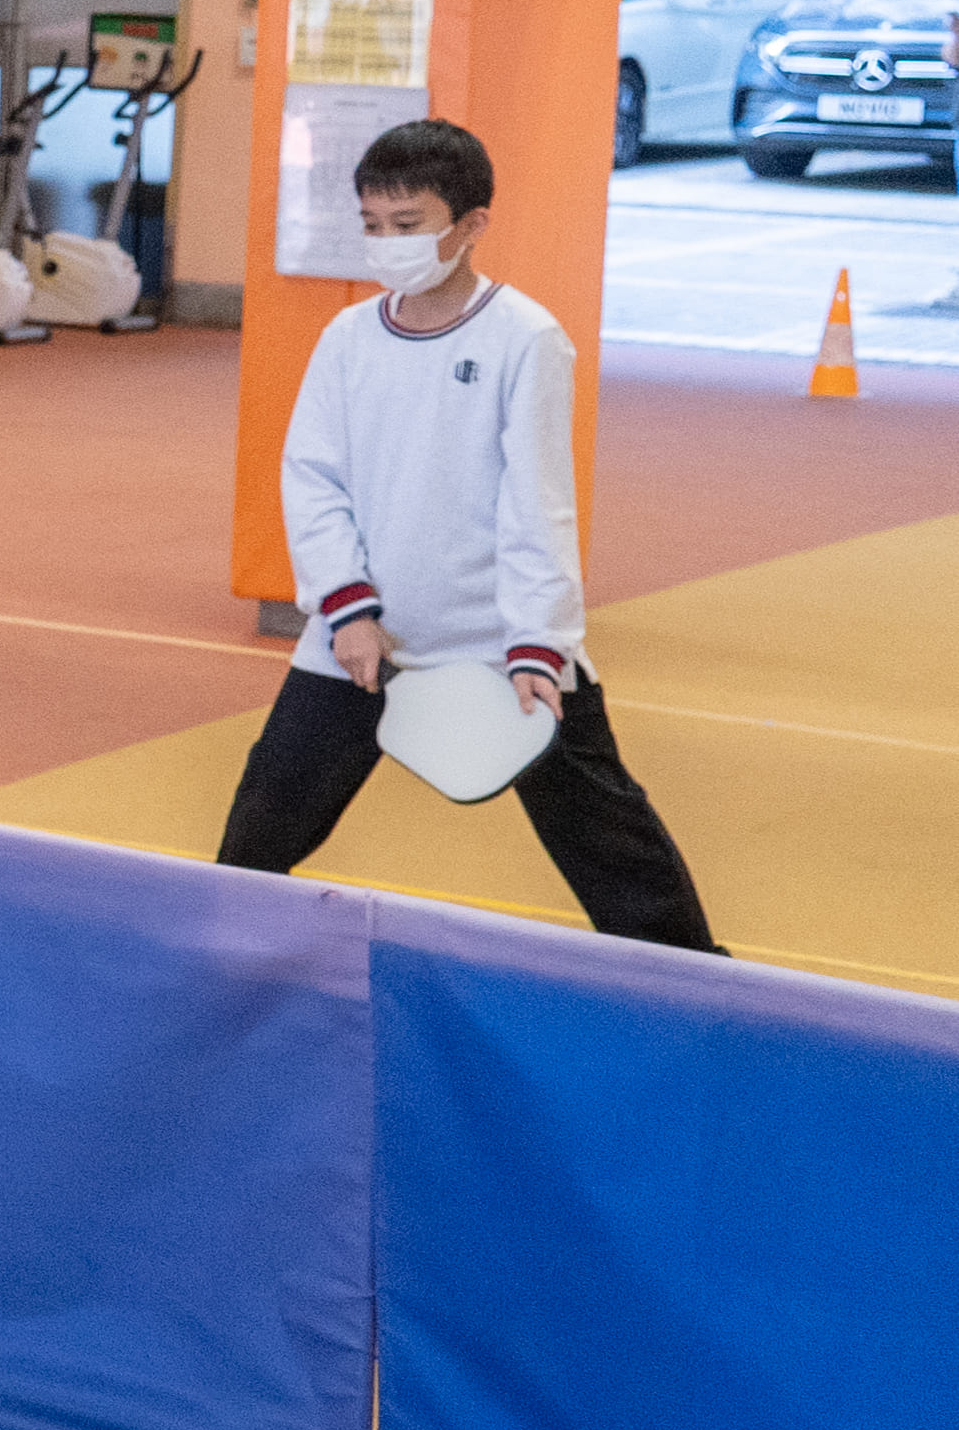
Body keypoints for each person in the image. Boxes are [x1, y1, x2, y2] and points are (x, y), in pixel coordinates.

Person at [215, 117, 713, 946]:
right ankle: (218, 959)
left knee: (614, 849)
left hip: (500, 642)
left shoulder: (527, 338)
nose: (387, 244)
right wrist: (349, 611)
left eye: (407, 225)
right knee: (259, 831)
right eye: (373, 225)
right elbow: (312, 478)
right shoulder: (346, 338)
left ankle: (698, 981)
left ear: (472, 223)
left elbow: (538, 504)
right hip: (358, 638)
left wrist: (537, 645)